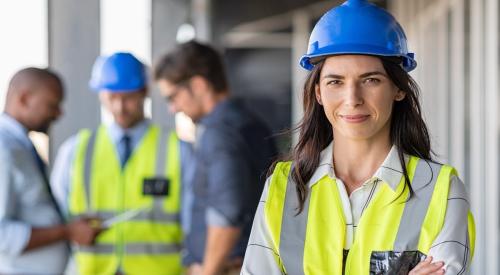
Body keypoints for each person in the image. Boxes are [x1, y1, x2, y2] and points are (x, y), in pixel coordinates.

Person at [241, 0, 475, 274]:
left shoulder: (442, 192)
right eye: (335, 82)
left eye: (371, 80)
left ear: (398, 89)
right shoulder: (282, 188)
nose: (352, 99)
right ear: (318, 93)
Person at [51, 52, 184, 275]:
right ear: (100, 95)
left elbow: (195, 221)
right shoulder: (75, 150)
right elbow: (57, 218)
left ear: (144, 92)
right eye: (112, 97)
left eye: (128, 97)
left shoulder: (176, 149)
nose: (120, 107)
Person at [154, 41, 278, 275]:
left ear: (199, 85)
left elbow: (227, 212)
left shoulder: (220, 133)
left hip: (226, 267)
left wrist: (209, 270)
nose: (173, 108)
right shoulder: (251, 123)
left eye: (173, 97)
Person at [0, 67, 100, 274]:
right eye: (52, 105)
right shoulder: (4, 150)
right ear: (25, 98)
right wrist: (66, 232)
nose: (58, 113)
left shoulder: (20, 146)